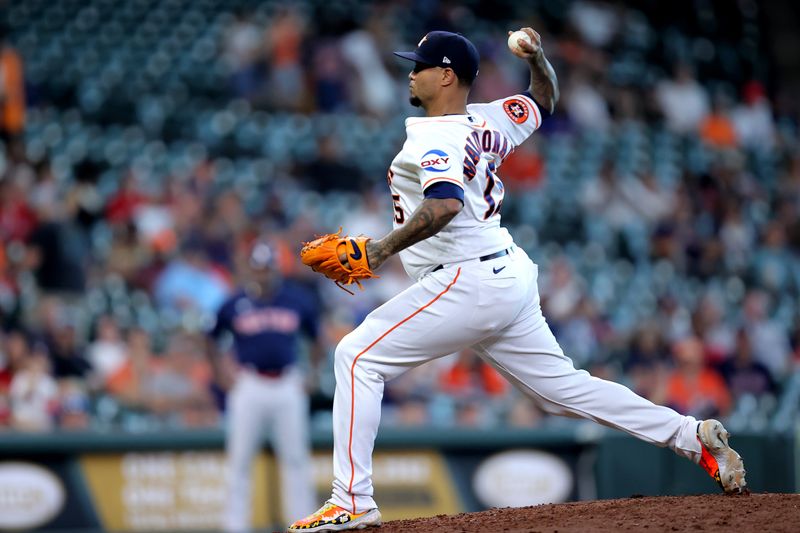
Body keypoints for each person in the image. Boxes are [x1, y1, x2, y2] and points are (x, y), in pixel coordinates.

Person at [288, 29, 747, 532]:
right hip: (505, 273)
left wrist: (378, 250)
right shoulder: (490, 119)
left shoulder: (433, 135)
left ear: (445, 76)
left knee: (356, 357)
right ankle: (691, 435)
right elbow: (544, 99)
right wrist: (538, 59)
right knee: (561, 391)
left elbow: (444, 203)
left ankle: (352, 498)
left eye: (419, 65)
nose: (411, 72)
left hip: (466, 280)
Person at [207, 241, 322, 531]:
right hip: (250, 384)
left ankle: (301, 525)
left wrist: (312, 373)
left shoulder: (296, 299)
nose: (262, 273)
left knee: (295, 460)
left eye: (267, 268)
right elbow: (210, 337)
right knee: (240, 461)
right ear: (250, 269)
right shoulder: (235, 302)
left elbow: (317, 338)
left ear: (275, 269)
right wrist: (221, 373)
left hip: (287, 383)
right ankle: (235, 527)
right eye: (258, 268)